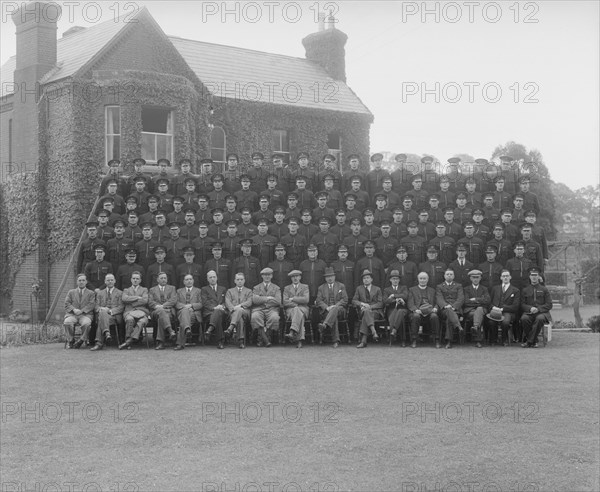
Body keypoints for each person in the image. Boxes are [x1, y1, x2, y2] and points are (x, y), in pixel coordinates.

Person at [316, 267, 348, 348]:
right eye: (327, 277)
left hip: (340, 310)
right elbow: (319, 301)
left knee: (335, 310)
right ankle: (336, 341)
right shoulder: (321, 288)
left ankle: (324, 324)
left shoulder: (341, 286)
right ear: (325, 278)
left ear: (334, 276)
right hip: (327, 311)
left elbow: (345, 299)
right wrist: (327, 307)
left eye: (331, 276)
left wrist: (335, 306)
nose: (330, 278)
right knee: (334, 317)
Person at [520, 267, 552, 348]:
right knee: (524, 319)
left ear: (539, 277)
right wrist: (530, 308)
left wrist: (538, 309)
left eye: (535, 275)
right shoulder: (525, 290)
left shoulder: (544, 289)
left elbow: (549, 304)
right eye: (532, 275)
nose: (534, 277)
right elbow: (522, 304)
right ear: (529, 277)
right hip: (529, 312)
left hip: (542, 313)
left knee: (540, 319)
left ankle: (529, 341)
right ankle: (534, 341)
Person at [486, 270, 520, 346]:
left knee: (505, 322)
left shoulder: (515, 290)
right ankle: (493, 339)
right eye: (503, 276)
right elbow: (489, 302)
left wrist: (503, 309)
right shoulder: (495, 289)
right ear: (501, 278)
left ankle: (504, 339)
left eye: (507, 276)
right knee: (491, 322)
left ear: (510, 277)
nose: (505, 278)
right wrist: (493, 307)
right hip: (495, 311)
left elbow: (515, 306)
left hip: (508, 312)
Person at [91, 273, 124, 351]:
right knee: (102, 314)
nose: (110, 282)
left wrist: (109, 310)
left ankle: (99, 343)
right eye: (108, 280)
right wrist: (102, 309)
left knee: (101, 318)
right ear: (105, 282)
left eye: (111, 280)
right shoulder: (100, 293)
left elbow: (121, 307)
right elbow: (96, 306)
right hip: (103, 315)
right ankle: (106, 333)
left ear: (115, 281)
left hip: (114, 316)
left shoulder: (120, 293)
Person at [352, 269, 384, 348]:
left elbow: (380, 303)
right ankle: (373, 332)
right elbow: (354, 301)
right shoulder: (359, 289)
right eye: (364, 278)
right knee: (366, 312)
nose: (366, 280)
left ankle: (364, 341)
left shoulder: (377, 289)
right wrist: (362, 304)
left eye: (367, 278)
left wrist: (370, 307)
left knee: (366, 315)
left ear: (371, 279)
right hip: (363, 311)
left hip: (375, 312)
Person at [251, 267, 282, 347]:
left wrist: (261, 300)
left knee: (274, 317)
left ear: (271, 276)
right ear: (262, 276)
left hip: (272, 309)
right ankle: (266, 339)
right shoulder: (256, 287)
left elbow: (278, 301)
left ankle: (263, 338)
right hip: (259, 309)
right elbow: (254, 300)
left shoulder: (276, 288)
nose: (267, 277)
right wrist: (268, 298)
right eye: (265, 275)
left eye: (269, 275)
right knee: (255, 316)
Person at [407, 272, 440, 348]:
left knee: (434, 316)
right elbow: (410, 303)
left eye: (424, 278)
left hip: (429, 311)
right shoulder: (412, 290)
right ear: (418, 279)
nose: (422, 280)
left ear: (427, 279)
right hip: (418, 311)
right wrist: (415, 309)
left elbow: (437, 302)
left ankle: (437, 339)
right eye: (421, 278)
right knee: (415, 316)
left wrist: (435, 308)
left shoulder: (432, 290)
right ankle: (414, 339)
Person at [63, 274, 96, 349]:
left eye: (83, 280)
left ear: (86, 282)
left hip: (85, 315)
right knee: (67, 322)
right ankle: (71, 341)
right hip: (72, 314)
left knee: (86, 324)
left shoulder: (91, 293)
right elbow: (67, 303)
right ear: (77, 282)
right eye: (79, 280)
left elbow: (91, 304)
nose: (81, 282)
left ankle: (81, 340)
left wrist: (81, 311)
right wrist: (74, 309)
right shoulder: (71, 292)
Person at [119, 271, 150, 350]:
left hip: (142, 311)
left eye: (137, 279)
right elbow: (124, 299)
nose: (135, 280)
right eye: (134, 278)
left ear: (140, 280)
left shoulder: (144, 290)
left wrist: (131, 302)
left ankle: (129, 341)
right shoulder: (126, 290)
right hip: (129, 311)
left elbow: (145, 300)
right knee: (129, 319)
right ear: (131, 280)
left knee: (142, 321)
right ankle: (129, 339)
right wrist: (137, 297)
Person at [435, 268, 464, 349]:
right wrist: (445, 305)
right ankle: (458, 326)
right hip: (444, 310)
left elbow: (461, 298)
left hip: (456, 310)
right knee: (448, 311)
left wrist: (454, 307)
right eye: (447, 274)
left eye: (451, 274)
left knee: (449, 318)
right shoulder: (439, 286)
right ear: (444, 276)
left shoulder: (459, 286)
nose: (449, 276)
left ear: (454, 276)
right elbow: (439, 298)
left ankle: (449, 341)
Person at [148, 272, 177, 350]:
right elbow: (150, 301)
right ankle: (170, 331)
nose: (163, 280)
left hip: (169, 311)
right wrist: (158, 307)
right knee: (161, 312)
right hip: (155, 312)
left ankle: (160, 342)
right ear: (157, 280)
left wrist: (162, 306)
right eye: (161, 278)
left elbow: (173, 300)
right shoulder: (152, 290)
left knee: (161, 318)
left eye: (165, 278)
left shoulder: (172, 288)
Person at [225, 273, 254, 349]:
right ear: (235, 281)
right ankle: (241, 341)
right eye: (238, 279)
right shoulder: (229, 291)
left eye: (241, 279)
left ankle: (230, 328)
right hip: (233, 313)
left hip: (245, 312)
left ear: (244, 280)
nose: (240, 281)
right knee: (240, 319)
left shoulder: (249, 291)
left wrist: (240, 306)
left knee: (240, 310)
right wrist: (234, 309)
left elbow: (249, 302)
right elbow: (227, 302)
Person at [174, 274, 203, 350]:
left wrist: (191, 306)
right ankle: (187, 329)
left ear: (193, 281)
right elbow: (176, 303)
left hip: (193, 313)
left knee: (183, 321)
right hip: (182, 312)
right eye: (187, 279)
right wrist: (185, 307)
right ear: (184, 282)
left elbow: (201, 304)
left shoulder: (198, 291)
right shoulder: (179, 291)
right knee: (184, 313)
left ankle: (181, 343)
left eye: (190, 279)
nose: (189, 281)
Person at [463, 269, 490, 348]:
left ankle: (475, 327)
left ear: (480, 278)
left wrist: (474, 299)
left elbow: (487, 300)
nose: (475, 279)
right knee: (478, 312)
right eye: (473, 277)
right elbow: (466, 302)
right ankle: (478, 340)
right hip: (470, 310)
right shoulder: (466, 289)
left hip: (481, 310)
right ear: (470, 278)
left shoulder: (484, 289)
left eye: (477, 277)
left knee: (479, 310)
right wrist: (480, 300)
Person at [283, 270, 310, 348]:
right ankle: (299, 340)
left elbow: (306, 300)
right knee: (298, 312)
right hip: (291, 310)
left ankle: (292, 331)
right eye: (293, 277)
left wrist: (293, 298)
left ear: (300, 277)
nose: (295, 278)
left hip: (303, 309)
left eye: (297, 276)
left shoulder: (305, 287)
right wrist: (297, 303)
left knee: (298, 311)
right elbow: (285, 302)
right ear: (291, 278)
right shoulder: (287, 288)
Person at [201, 270, 228, 349]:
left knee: (219, 313)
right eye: (210, 277)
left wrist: (222, 306)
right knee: (218, 317)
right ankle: (220, 341)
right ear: (207, 279)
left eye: (214, 277)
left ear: (217, 278)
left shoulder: (223, 289)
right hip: (209, 313)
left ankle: (210, 328)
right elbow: (205, 302)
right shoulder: (204, 289)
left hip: (222, 311)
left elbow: (226, 301)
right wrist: (214, 308)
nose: (212, 279)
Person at [383, 270, 409, 346]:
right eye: (393, 279)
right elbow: (385, 301)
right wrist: (396, 300)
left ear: (399, 280)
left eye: (397, 279)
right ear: (390, 280)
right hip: (391, 309)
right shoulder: (386, 289)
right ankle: (401, 339)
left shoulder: (403, 287)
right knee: (394, 315)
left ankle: (394, 332)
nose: (395, 280)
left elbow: (405, 296)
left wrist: (393, 296)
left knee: (400, 311)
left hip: (403, 308)